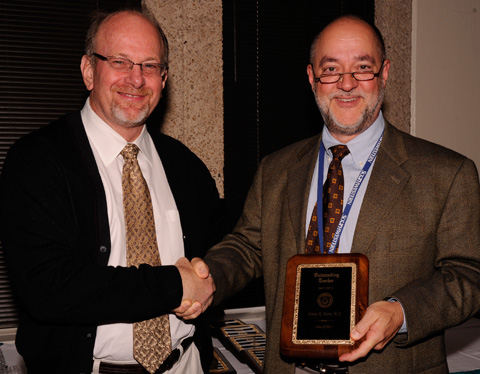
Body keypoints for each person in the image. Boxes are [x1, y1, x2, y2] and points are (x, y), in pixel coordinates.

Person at [203, 14, 480, 374]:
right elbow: (248, 248)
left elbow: (469, 274)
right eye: (331, 69)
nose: (346, 84)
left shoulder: (446, 173)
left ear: (384, 73)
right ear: (311, 78)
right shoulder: (276, 169)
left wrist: (401, 310)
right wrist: (206, 276)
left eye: (362, 67)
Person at [0, 8, 222, 374]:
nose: (136, 79)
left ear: (164, 79)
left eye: (150, 66)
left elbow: (221, 250)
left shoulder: (186, 167)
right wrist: (173, 285)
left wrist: (209, 280)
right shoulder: (36, 161)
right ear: (89, 70)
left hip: (187, 364)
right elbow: (50, 287)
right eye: (120, 61)